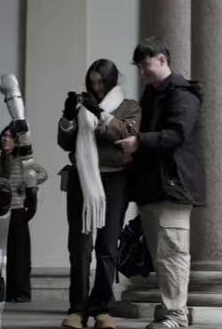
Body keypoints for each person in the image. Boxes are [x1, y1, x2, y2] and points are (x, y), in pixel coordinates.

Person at [121, 38, 202, 329]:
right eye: (139, 67)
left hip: (173, 187)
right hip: (154, 187)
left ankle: (176, 315)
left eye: (146, 65)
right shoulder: (153, 95)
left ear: (163, 60)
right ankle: (170, 309)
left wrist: (139, 140)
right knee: (161, 255)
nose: (142, 72)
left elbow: (177, 135)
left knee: (173, 253)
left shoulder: (183, 95)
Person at [56, 58, 140, 329]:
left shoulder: (130, 106)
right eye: (92, 83)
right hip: (82, 180)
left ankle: (102, 308)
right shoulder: (82, 108)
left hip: (115, 181)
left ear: (112, 80)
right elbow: (65, 142)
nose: (96, 88)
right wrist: (68, 118)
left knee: (107, 247)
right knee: (79, 247)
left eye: (101, 82)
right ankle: (77, 309)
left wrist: (101, 115)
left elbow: (127, 134)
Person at [0, 124, 49, 303]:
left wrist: (27, 183)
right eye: (3, 136)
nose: (4, 139)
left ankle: (23, 293)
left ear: (16, 142)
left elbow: (43, 174)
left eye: (8, 137)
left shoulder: (24, 162)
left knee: (21, 255)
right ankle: (8, 292)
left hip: (19, 212)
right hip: (1, 214)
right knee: (3, 255)